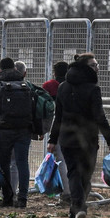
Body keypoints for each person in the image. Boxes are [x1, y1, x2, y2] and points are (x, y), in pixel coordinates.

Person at [47, 53, 110, 218]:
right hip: (87, 139)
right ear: (84, 67)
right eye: (93, 65)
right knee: (83, 175)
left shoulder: (63, 86)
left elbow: (59, 117)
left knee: (75, 174)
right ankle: (79, 206)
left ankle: (75, 209)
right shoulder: (93, 89)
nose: (97, 68)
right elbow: (100, 117)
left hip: (67, 138)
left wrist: (53, 139)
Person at [0, 57, 34, 209]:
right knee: (22, 163)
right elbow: (33, 109)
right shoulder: (26, 84)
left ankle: (7, 198)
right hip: (24, 130)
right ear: (14, 68)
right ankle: (23, 199)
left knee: (4, 164)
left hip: (4, 130)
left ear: (0, 69)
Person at [41, 60, 72, 202]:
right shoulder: (72, 86)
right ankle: (73, 190)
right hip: (73, 125)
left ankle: (66, 192)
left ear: (54, 72)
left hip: (56, 124)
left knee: (60, 160)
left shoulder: (49, 86)